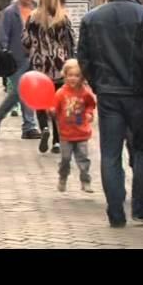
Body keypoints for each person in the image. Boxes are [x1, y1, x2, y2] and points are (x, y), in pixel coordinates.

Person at [78, 0, 143, 228]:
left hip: (109, 94)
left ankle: (115, 211)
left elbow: (84, 58)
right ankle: (141, 206)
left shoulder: (92, 18)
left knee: (111, 153)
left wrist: (97, 83)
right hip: (140, 93)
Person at [22, 0, 75, 154]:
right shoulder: (63, 19)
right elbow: (72, 41)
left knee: (40, 101)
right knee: (58, 102)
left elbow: (25, 41)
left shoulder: (32, 18)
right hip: (59, 66)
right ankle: (57, 141)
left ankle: (44, 127)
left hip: (39, 66)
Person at [0, 0, 41, 140]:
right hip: (15, 58)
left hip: (34, 57)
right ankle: (28, 125)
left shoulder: (36, 10)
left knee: (26, 91)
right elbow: (3, 34)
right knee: (22, 90)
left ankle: (21, 124)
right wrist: (5, 52)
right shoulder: (10, 12)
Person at [52, 59, 96, 193]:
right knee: (65, 159)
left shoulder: (85, 92)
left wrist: (89, 114)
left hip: (82, 132)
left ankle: (85, 180)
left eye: (77, 76)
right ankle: (63, 177)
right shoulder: (60, 93)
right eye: (70, 75)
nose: (73, 78)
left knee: (83, 158)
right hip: (66, 133)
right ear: (64, 76)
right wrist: (52, 111)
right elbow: (54, 107)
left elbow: (91, 104)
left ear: (82, 77)